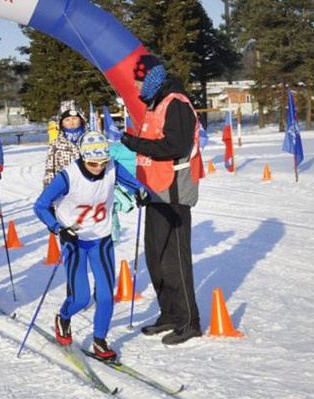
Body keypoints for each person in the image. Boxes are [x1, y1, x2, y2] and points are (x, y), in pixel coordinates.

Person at [34, 131, 150, 360]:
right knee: (81, 298)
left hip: (101, 238)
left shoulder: (112, 167)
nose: (98, 167)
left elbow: (137, 186)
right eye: (93, 163)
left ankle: (99, 339)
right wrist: (58, 229)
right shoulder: (68, 176)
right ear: (83, 158)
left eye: (102, 162)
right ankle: (63, 317)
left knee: (106, 295)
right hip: (74, 238)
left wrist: (143, 193)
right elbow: (40, 205)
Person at [120, 55, 205, 345]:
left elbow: (176, 145)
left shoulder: (176, 103)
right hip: (155, 190)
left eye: (139, 78)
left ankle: (189, 321)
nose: (135, 83)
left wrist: (135, 143)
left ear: (152, 78)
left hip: (174, 191)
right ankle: (168, 313)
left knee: (175, 259)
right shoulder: (156, 102)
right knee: (155, 257)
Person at [42, 100, 87, 188]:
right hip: (65, 188)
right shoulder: (56, 143)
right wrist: (48, 189)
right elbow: (50, 170)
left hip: (87, 186)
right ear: (61, 123)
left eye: (74, 118)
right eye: (67, 120)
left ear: (81, 119)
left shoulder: (90, 138)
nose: (71, 123)